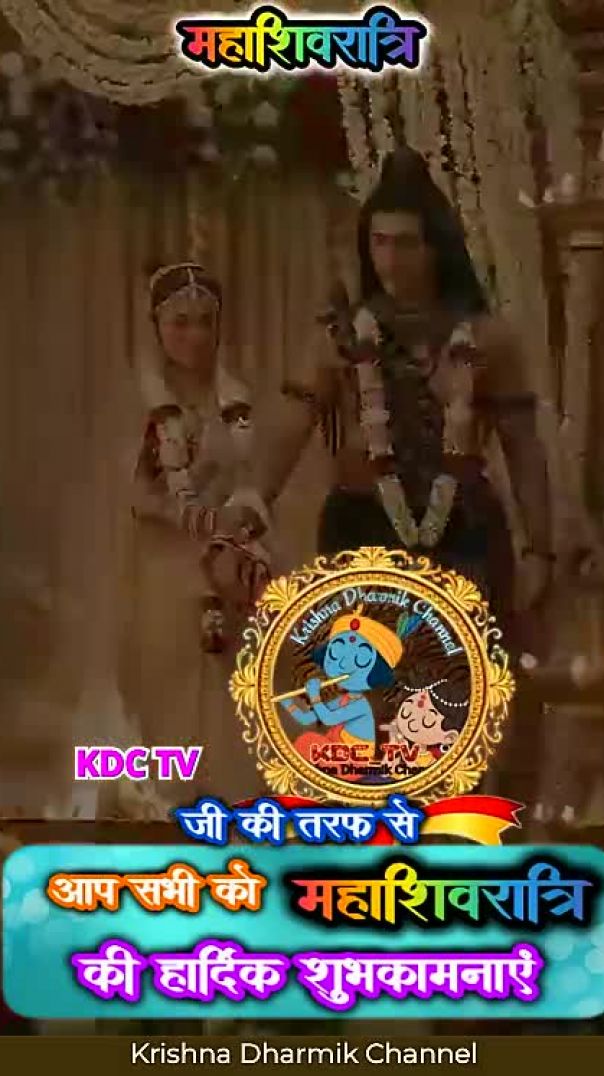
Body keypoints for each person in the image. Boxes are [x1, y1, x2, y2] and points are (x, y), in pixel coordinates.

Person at [260, 144, 555, 656]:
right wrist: (249, 506)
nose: (390, 260)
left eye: (405, 243)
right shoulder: (342, 335)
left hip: (463, 532)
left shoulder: (487, 337)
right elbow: (291, 424)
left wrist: (540, 549)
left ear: (436, 247)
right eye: (379, 243)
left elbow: (523, 446)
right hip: (361, 527)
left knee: (462, 691)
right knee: (365, 685)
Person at [121, 262, 272, 806]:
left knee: (231, 687)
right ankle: (165, 804)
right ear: (156, 327)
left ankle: (232, 808)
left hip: (230, 564)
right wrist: (188, 516)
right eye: (180, 323)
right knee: (171, 689)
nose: (195, 336)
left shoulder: (238, 400)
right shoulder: (141, 404)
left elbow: (259, 480)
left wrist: (238, 524)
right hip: (163, 566)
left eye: (206, 322)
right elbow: (131, 494)